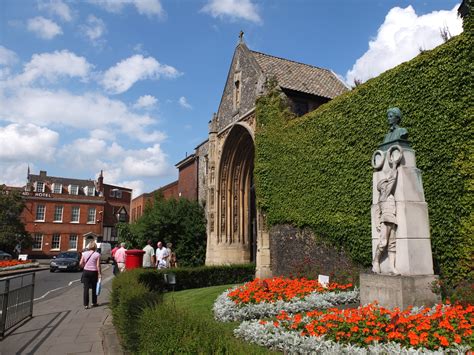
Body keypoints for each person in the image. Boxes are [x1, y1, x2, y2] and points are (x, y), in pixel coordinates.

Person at [373, 163, 399, 275]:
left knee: (392, 244)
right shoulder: (384, 195)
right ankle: (376, 261)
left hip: (393, 220)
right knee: (383, 243)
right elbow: (392, 179)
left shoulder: (388, 196)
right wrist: (394, 167)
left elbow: (376, 211)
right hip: (386, 220)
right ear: (382, 188)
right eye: (384, 185)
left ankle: (392, 267)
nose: (386, 186)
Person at [79, 241, 101, 309]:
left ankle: (86, 305)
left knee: (86, 288)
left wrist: (84, 266)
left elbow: (80, 263)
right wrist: (99, 274)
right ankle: (94, 302)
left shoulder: (84, 253)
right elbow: (98, 265)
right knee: (94, 288)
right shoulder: (97, 254)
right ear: (95, 247)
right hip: (94, 272)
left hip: (86, 272)